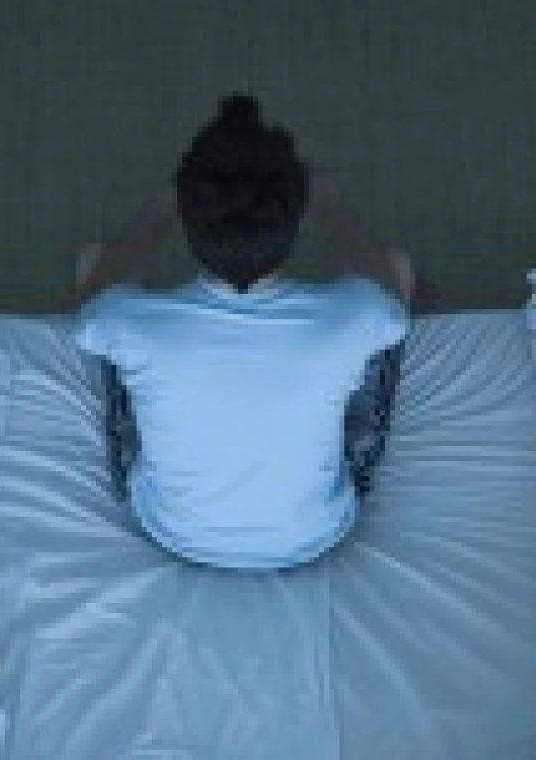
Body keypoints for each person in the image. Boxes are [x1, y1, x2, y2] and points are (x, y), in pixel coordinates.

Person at [70, 93, 414, 572]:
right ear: (296, 216)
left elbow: (87, 311)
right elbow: (395, 300)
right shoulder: (352, 314)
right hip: (319, 531)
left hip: (171, 530)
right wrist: (332, 208)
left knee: (96, 271)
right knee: (392, 277)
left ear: (188, 216)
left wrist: (156, 212)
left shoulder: (129, 322)